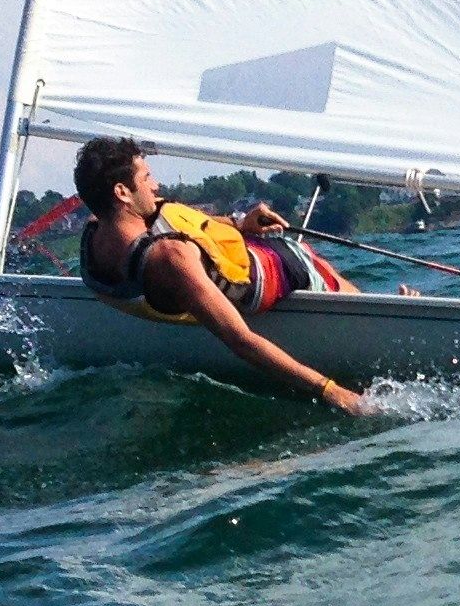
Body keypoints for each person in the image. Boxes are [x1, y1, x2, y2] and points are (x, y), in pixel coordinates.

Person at [73, 135, 366, 413]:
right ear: (122, 192)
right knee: (317, 265)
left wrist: (239, 222)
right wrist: (330, 390)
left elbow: (183, 222)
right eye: (147, 177)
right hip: (274, 269)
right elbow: (241, 341)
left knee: (170, 212)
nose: (156, 185)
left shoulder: (94, 235)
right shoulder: (171, 259)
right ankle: (398, 306)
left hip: (231, 250)